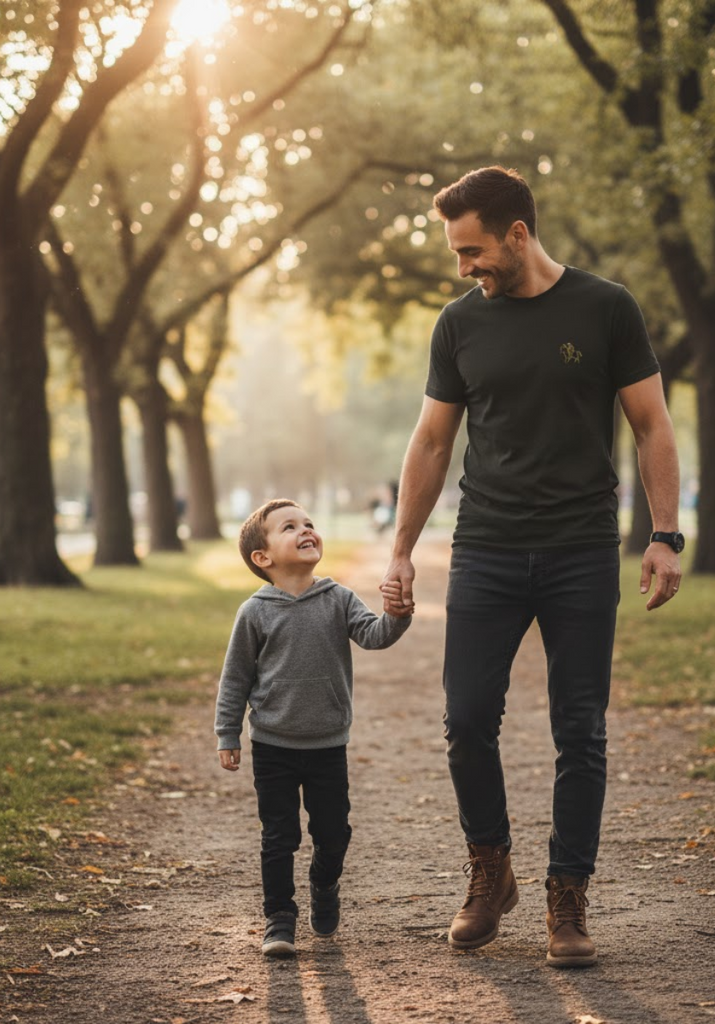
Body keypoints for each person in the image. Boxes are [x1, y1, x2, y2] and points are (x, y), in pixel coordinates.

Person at [381, 167, 683, 969]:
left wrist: (666, 533)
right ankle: (491, 869)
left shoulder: (606, 306)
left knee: (579, 730)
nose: (463, 267)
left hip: (583, 548)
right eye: (456, 253)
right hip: (486, 545)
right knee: (467, 718)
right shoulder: (459, 325)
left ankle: (567, 897)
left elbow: (651, 424)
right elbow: (433, 442)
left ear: (518, 233)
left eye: (473, 250)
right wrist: (403, 548)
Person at [215, 499, 412, 958]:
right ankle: (279, 919)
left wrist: (397, 614)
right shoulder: (255, 612)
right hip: (272, 744)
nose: (306, 530)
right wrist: (228, 734)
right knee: (278, 836)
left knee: (334, 832)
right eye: (289, 527)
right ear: (262, 558)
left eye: (309, 523)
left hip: (327, 744)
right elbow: (235, 679)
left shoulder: (338, 598)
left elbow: (374, 635)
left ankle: (324, 884)